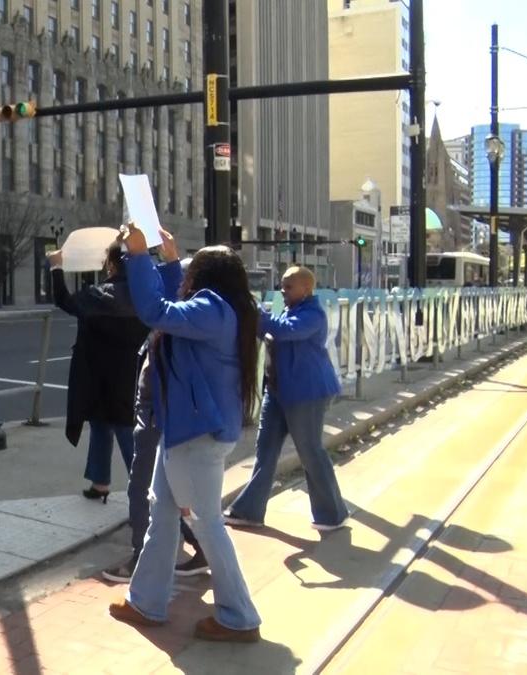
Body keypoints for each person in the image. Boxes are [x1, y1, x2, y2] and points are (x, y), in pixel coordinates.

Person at [108, 227, 262, 643]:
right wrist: (171, 260)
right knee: (162, 513)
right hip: (189, 431)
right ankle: (146, 601)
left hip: (196, 436)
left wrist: (140, 257)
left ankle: (240, 616)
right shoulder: (222, 308)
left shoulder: (212, 308)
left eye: (193, 267)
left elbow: (158, 312)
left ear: (208, 277)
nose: (187, 274)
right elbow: (178, 308)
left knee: (208, 524)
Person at [102, 255, 210, 583]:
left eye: (183, 278)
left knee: (143, 492)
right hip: (157, 415)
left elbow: (152, 305)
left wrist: (138, 256)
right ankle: (193, 552)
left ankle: (143, 561)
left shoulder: (182, 318)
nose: (178, 282)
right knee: (166, 496)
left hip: (157, 418)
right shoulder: (188, 315)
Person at [224, 266, 348, 531]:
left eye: (288, 286)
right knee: (265, 451)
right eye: (282, 285)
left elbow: (283, 331)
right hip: (279, 392)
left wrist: (254, 310)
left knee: (310, 451)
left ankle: (332, 514)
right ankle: (249, 511)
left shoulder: (312, 314)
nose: (283, 290)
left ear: (306, 288)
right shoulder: (291, 309)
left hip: (306, 394)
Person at [48, 240, 151, 502]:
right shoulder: (145, 298)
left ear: (113, 265)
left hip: (98, 376)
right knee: (123, 431)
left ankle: (118, 487)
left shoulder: (98, 296)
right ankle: (115, 486)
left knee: (104, 427)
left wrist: (56, 267)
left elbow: (64, 300)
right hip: (132, 377)